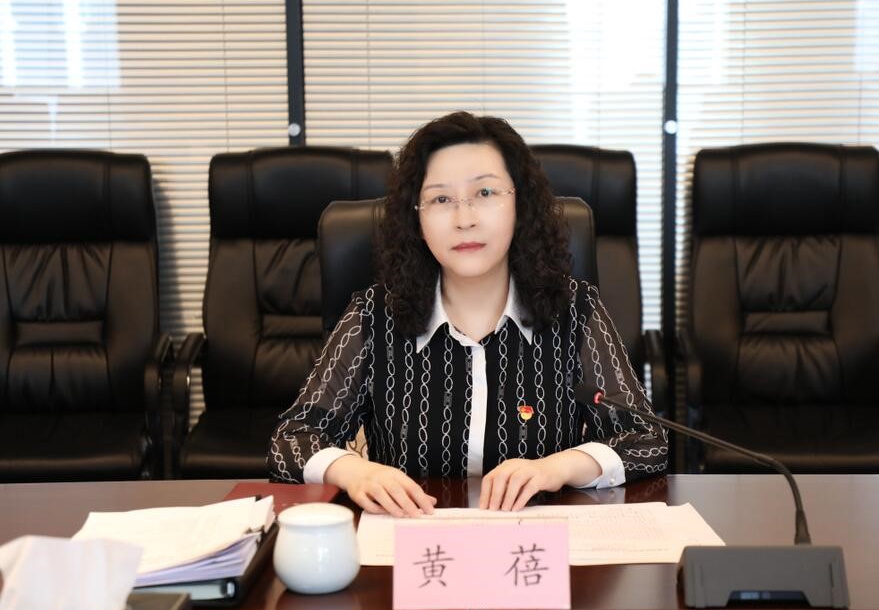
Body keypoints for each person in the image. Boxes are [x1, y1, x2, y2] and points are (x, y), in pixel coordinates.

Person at [268, 111, 668, 516]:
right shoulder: (374, 316)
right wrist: (354, 471)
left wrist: (557, 468)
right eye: (441, 199)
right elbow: (291, 441)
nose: (465, 220)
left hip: (533, 542)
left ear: (521, 204)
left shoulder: (574, 310)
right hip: (414, 540)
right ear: (416, 217)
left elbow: (646, 440)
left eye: (485, 193)